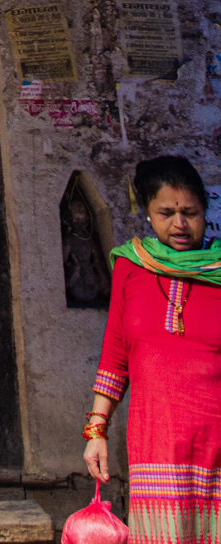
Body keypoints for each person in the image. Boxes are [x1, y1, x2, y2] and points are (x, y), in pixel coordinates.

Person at [85, 153, 221, 544]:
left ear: (204, 211)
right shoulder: (131, 267)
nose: (179, 223)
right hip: (156, 440)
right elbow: (115, 357)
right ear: (147, 212)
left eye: (190, 212)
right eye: (166, 212)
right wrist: (96, 432)